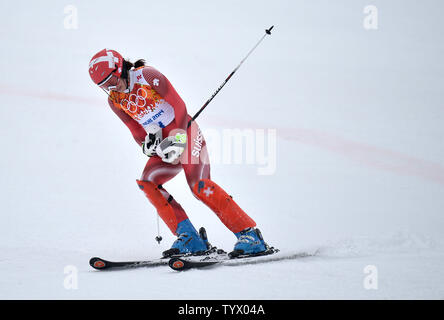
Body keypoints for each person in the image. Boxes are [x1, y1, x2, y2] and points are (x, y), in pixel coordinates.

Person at [88, 48, 270, 258]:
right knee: (148, 182)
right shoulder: (115, 100)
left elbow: (179, 107)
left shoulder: (147, 76)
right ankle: (189, 238)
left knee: (199, 186)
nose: (111, 87)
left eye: (111, 80)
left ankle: (250, 235)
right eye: (104, 86)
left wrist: (179, 138)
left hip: (186, 132)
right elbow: (137, 132)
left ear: (119, 68)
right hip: (166, 145)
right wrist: (149, 146)